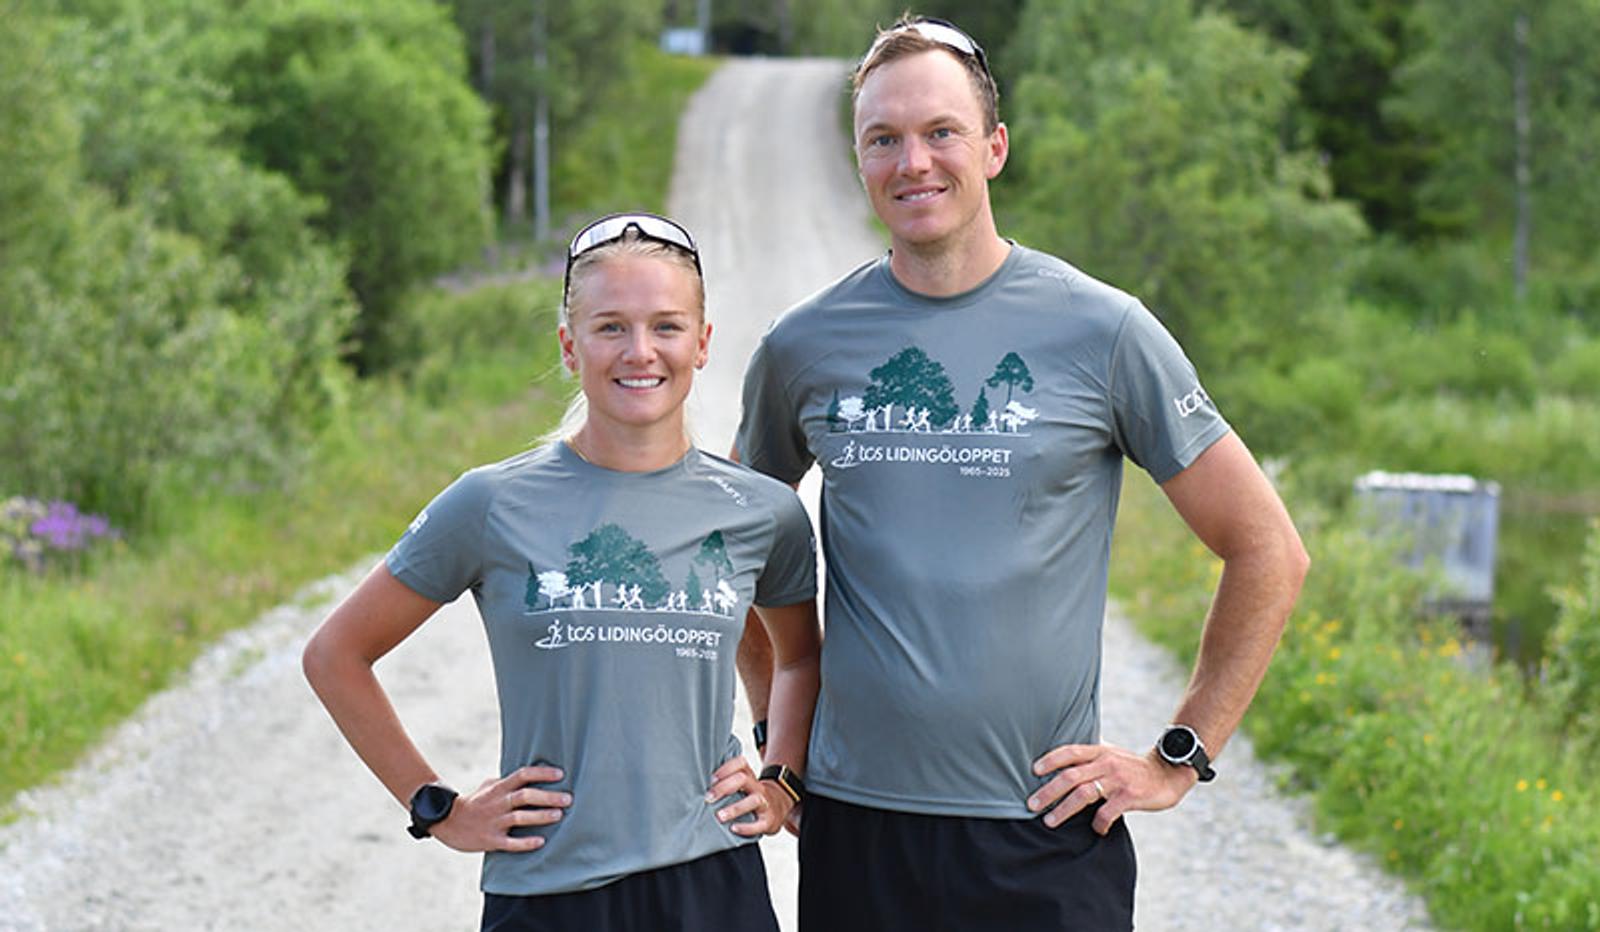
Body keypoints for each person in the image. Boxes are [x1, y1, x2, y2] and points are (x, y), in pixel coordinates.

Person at [732, 16, 1309, 931]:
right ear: (859, 159)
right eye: (884, 139)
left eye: (940, 132)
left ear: (994, 147)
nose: (913, 161)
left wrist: (1178, 757)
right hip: (859, 833)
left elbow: (1267, 548)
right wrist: (781, 743)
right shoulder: (803, 347)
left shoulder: (1104, 332)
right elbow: (728, 553)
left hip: (1043, 833)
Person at [304, 212, 822, 932]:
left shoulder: (760, 512)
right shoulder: (491, 503)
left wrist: (781, 780)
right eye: (610, 327)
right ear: (569, 346)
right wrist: (437, 807)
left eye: (666, 326)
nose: (640, 351)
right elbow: (335, 655)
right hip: (546, 891)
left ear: (702, 344)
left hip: (712, 883)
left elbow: (798, 657)